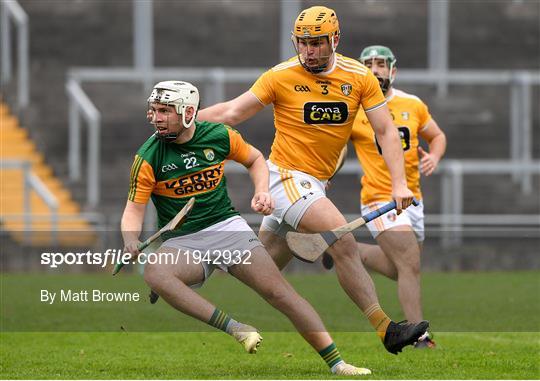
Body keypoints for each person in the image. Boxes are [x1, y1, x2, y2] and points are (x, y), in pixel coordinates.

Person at [197, 6, 428, 355]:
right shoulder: (281, 75)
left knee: (260, 265)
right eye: (302, 43)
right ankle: (387, 329)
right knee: (343, 242)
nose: (308, 51)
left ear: (335, 39)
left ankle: (186, 264)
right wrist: (187, 123)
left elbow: (385, 131)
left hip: (314, 183)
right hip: (284, 176)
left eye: (316, 43)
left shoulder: (358, 76)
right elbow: (232, 112)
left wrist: (400, 183)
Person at [121, 80, 370, 376]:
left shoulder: (218, 136)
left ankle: (338, 363)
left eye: (165, 111)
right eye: (154, 110)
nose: (157, 117)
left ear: (188, 112)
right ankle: (236, 328)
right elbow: (133, 210)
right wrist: (130, 239)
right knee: (156, 272)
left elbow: (254, 160)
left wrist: (262, 191)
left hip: (228, 229)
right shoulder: (148, 157)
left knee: (281, 295)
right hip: (183, 240)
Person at [323, 45, 447, 348]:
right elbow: (334, 148)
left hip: (412, 197)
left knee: (398, 268)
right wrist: (324, 175)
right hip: (381, 198)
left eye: (381, 64)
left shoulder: (412, 104)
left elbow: (438, 135)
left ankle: (347, 251)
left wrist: (434, 156)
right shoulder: (355, 111)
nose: (376, 69)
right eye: (369, 64)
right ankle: (420, 335)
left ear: (393, 70)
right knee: (410, 265)